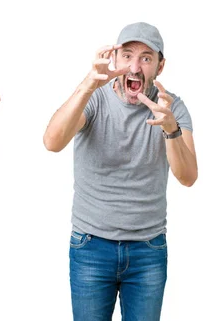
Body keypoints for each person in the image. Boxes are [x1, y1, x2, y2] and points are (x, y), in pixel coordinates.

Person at [43, 22, 197, 320]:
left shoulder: (172, 108)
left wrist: (170, 130)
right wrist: (89, 83)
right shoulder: (94, 99)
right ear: (115, 60)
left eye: (146, 58)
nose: (135, 66)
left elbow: (188, 177)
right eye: (127, 56)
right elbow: (52, 141)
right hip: (90, 246)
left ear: (160, 66)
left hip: (148, 250)